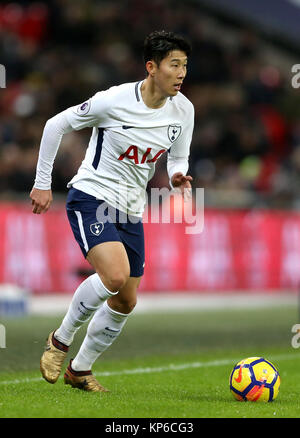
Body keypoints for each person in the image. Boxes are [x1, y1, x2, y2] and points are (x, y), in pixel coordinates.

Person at [30, 30, 194, 392]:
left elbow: (177, 156)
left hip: (130, 209)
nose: (182, 73)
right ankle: (60, 339)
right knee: (115, 276)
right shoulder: (113, 100)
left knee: (126, 299)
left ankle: (80, 369)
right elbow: (55, 124)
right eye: (175, 65)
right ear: (152, 67)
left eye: (185, 66)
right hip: (92, 197)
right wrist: (43, 182)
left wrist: (178, 175)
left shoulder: (184, 110)